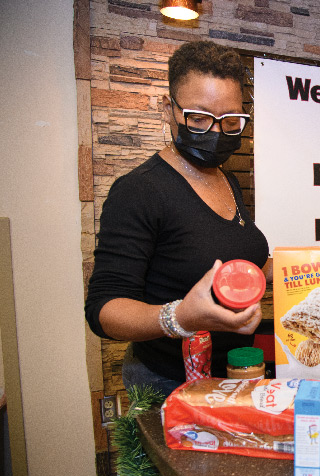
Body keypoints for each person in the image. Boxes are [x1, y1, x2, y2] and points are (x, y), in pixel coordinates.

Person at [85, 41, 270, 396]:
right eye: (199, 118)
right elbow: (104, 310)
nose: (215, 133)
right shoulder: (139, 190)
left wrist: (303, 267)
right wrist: (180, 318)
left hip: (233, 374)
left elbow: (225, 263)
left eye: (230, 121)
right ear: (168, 109)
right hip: (168, 383)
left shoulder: (226, 179)